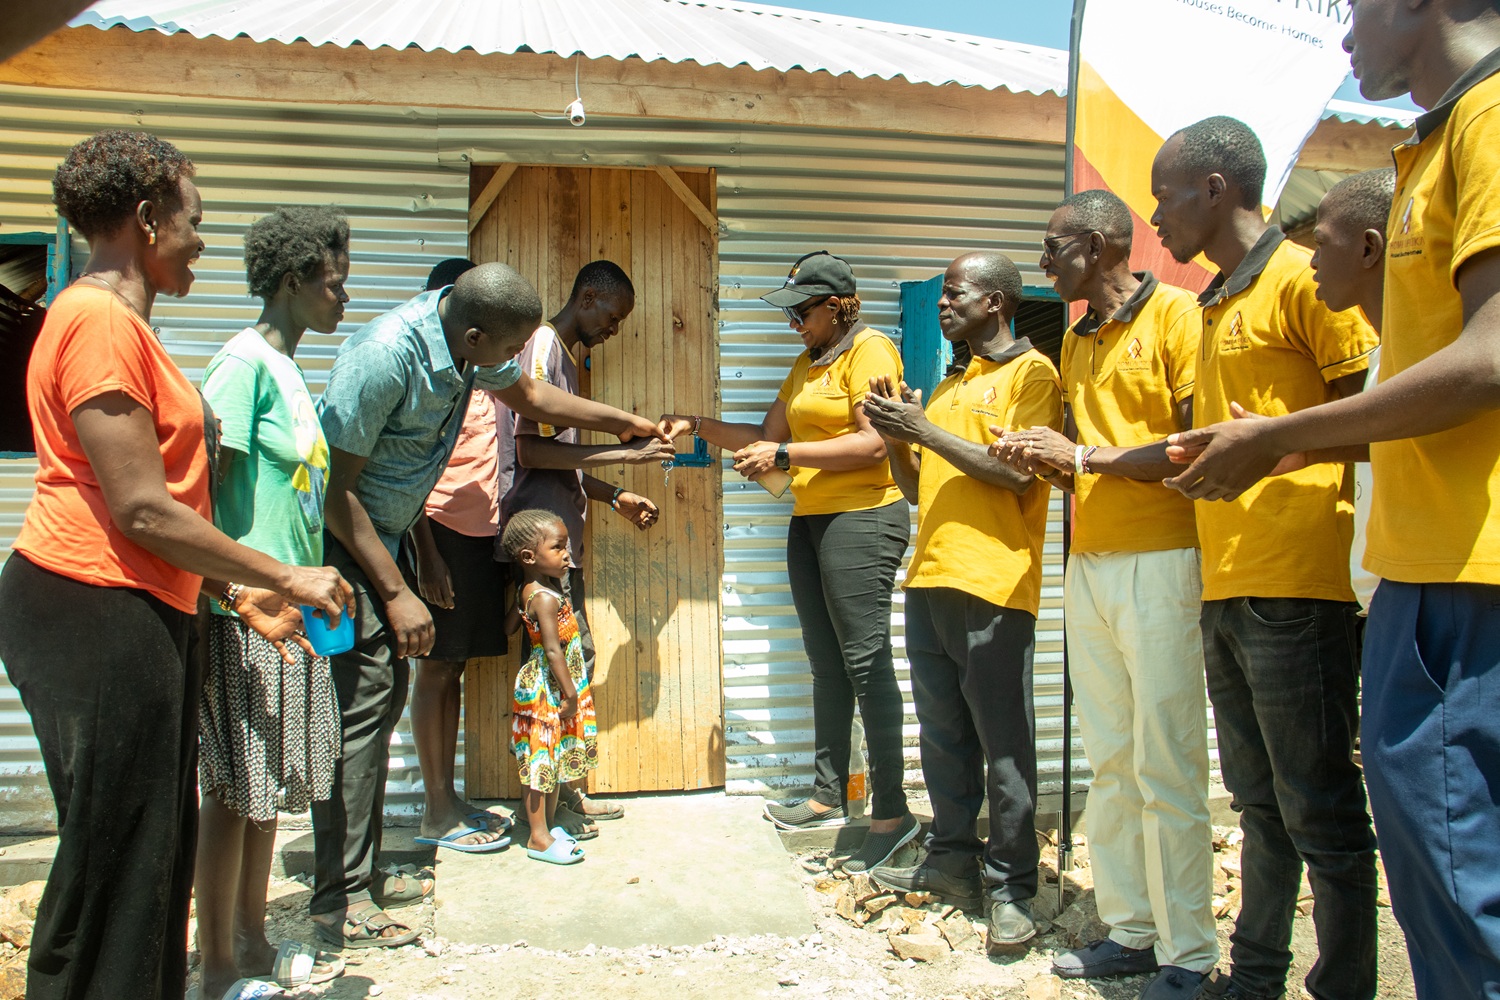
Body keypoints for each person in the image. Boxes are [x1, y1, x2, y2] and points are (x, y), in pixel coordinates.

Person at [1163, 5, 1500, 994]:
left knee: (1451, 874)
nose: (1344, 34)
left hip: (1464, 573)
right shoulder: (1437, 144)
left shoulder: (1488, 121)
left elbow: (1486, 361)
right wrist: (1259, 449)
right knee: (1431, 874)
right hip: (1420, 567)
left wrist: (1277, 438)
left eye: (1356, 7)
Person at [0, 130, 351, 1000]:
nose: (201, 240)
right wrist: (284, 575)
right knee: (116, 858)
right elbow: (142, 508)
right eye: (193, 220)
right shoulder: (96, 322)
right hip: (93, 607)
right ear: (148, 220)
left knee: (145, 849)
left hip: (134, 603)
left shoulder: (120, 325)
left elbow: (173, 506)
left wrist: (228, 582)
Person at [311, 260, 665, 949]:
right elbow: (334, 490)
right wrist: (395, 586)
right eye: (506, 351)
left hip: (390, 535)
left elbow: (533, 399)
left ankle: (361, 875)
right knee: (360, 719)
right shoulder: (386, 358)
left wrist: (625, 421)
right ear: (474, 334)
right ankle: (341, 899)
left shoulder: (468, 352)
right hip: (349, 550)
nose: (513, 365)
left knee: (376, 710)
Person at [1146, 117, 1380, 1000]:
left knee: (1319, 807)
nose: (1156, 219)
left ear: (1215, 189)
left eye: (1165, 195)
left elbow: (1372, 416)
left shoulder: (1302, 278)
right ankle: (1254, 979)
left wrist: (1278, 452)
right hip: (1229, 581)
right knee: (1257, 804)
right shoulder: (1214, 302)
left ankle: (1345, 984)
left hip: (1302, 584)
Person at [992, 190, 1216, 998]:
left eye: (1053, 247)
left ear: (1095, 245)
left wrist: (1082, 459)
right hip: (1091, 563)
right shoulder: (1081, 339)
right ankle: (1131, 929)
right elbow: (1089, 454)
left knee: (1169, 760)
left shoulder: (1180, 319)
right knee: (1112, 760)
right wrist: (1044, 456)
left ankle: (1189, 953)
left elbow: (1193, 449)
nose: (1043, 263)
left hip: (1163, 561)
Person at [661, 250, 919, 874]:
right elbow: (763, 436)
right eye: (791, 313)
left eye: (803, 311)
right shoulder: (807, 364)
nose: (794, 324)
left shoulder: (871, 351)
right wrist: (696, 425)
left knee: (865, 660)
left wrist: (784, 454)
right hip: (810, 521)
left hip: (863, 519)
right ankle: (828, 795)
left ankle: (891, 813)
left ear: (837, 306)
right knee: (827, 663)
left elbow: (873, 443)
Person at [860, 251, 1061, 953]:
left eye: (956, 294)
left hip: (995, 582)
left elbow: (1015, 475)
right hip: (931, 580)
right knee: (943, 737)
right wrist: (896, 438)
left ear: (998, 303)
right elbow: (919, 490)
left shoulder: (1032, 376)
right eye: (942, 296)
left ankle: (1011, 887)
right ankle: (951, 859)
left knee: (1003, 746)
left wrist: (922, 430)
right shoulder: (947, 389)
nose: (944, 305)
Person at [193, 206, 352, 998]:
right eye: (334, 282)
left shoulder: (288, 367)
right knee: (230, 792)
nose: (343, 298)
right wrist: (241, 594)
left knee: (265, 792)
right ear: (293, 280)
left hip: (290, 614)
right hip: (244, 615)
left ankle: (252, 943)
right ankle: (216, 964)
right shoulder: (241, 365)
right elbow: (197, 499)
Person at [494, 259, 667, 835]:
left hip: (563, 544)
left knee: (573, 665)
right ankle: (547, 809)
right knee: (553, 678)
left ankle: (568, 790)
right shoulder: (543, 344)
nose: (613, 330)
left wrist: (614, 494)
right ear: (588, 297)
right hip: (540, 545)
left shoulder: (569, 360)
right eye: (612, 317)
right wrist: (627, 453)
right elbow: (533, 454)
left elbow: (566, 462)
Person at [407, 257, 517, 853]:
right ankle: (435, 809)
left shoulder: (485, 372)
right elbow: (407, 472)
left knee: (455, 668)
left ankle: (447, 799)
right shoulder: (425, 377)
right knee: (436, 667)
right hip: (440, 535)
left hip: (482, 535)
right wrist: (426, 553)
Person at [500, 509, 599, 865]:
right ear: (529, 557)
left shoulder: (531, 590)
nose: (567, 554)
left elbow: (510, 627)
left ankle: (548, 827)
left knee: (550, 757)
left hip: (540, 683)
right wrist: (570, 693)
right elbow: (553, 649)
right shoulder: (543, 597)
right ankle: (538, 837)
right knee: (541, 759)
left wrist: (518, 604)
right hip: (547, 687)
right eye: (558, 548)